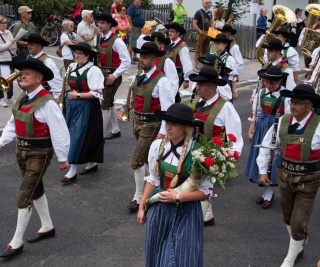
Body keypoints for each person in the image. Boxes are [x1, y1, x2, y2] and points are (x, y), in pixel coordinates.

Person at [0, 57, 70, 258]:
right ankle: (47, 226)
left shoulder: (47, 102)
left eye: (26, 73)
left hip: (40, 153)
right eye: (21, 73)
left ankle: (16, 242)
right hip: (21, 151)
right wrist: (2, 141)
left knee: (25, 194)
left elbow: (59, 131)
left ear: (39, 78)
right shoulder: (23, 97)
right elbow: (14, 123)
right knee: (35, 188)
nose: (22, 76)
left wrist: (63, 157)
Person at [137, 103, 211, 266]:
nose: (168, 127)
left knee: (183, 258)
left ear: (185, 127)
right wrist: (142, 206)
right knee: (157, 253)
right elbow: (153, 179)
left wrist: (178, 196)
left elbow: (206, 192)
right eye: (167, 123)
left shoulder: (198, 152)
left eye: (174, 124)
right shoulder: (158, 146)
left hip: (187, 212)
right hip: (160, 208)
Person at [257, 84, 320, 267]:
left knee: (299, 221)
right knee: (287, 217)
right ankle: (298, 246)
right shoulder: (282, 122)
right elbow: (269, 146)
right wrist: (262, 171)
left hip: (309, 180)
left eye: (298, 103)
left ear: (310, 106)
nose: (293, 106)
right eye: (292, 102)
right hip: (284, 177)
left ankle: (290, 258)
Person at [124, 42, 175, 212]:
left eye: (145, 57)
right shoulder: (139, 75)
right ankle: (153, 188)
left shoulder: (162, 81)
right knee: (147, 159)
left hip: (152, 125)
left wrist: (162, 132)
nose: (141, 59)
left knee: (136, 160)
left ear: (154, 59)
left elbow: (168, 109)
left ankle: (139, 197)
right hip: (137, 122)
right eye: (141, 56)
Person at [189, 67, 243, 226]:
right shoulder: (197, 103)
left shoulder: (226, 108)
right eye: (197, 84)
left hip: (213, 156)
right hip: (194, 151)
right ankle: (208, 216)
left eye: (202, 84)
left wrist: (228, 158)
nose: (198, 87)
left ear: (212, 86)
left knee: (201, 187)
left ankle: (196, 222)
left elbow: (235, 136)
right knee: (196, 185)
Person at [245, 66, 291, 209]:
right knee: (262, 157)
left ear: (279, 81)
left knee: (272, 159)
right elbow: (257, 112)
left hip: (276, 129)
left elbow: (288, 118)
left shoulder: (285, 97)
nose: (269, 86)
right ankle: (265, 190)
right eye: (267, 82)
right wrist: (251, 128)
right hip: (261, 128)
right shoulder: (261, 92)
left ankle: (269, 192)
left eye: (272, 83)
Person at [60, 42, 104, 184]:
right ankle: (92, 163)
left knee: (77, 136)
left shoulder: (94, 70)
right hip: (72, 105)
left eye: (80, 53)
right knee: (74, 134)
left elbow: (97, 93)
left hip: (87, 106)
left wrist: (77, 95)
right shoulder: (72, 66)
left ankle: (72, 170)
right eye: (76, 53)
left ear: (87, 56)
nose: (76, 55)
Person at [96, 13, 130, 140]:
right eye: (99, 22)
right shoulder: (101, 38)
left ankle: (99, 136)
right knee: (108, 102)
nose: (100, 25)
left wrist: (115, 75)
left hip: (112, 76)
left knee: (104, 104)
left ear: (110, 24)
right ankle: (116, 129)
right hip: (102, 75)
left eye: (103, 23)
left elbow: (126, 61)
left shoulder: (117, 41)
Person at [250, 38, 296, 105]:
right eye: (267, 50)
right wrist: (254, 96)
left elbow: (290, 88)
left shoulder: (286, 68)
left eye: (271, 51)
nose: (268, 53)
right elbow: (259, 83)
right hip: (263, 98)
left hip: (277, 101)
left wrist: (286, 104)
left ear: (278, 51)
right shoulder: (265, 66)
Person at [23, 34, 63, 100]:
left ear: (39, 45)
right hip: (32, 96)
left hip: (44, 98)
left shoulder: (47, 61)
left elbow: (57, 83)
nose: (29, 47)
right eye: (28, 44)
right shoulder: (30, 58)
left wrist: (56, 100)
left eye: (32, 44)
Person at [144, 32, 179, 102]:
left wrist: (168, 101)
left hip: (161, 98)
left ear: (161, 45)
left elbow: (173, 83)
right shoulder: (145, 59)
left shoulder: (167, 61)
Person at [165, 22, 192, 102]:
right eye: (169, 31)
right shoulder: (170, 44)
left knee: (172, 92)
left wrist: (186, 80)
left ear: (178, 33)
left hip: (178, 74)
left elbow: (187, 64)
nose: (170, 33)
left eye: (172, 31)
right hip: (168, 72)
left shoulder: (182, 47)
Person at [210, 33, 238, 102]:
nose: (216, 45)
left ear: (225, 44)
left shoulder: (229, 59)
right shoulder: (213, 56)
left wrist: (234, 91)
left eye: (219, 43)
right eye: (215, 43)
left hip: (225, 84)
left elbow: (233, 77)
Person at [0, 15, 17, 107]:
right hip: (1, 60)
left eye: (5, 23)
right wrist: (9, 43)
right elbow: (0, 48)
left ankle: (10, 97)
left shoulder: (8, 32)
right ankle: (1, 98)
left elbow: (14, 46)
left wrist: (7, 46)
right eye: (2, 24)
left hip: (10, 58)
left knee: (10, 79)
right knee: (2, 80)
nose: (4, 25)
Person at [192, 0, 212, 70]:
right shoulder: (198, 12)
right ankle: (195, 65)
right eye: (206, 3)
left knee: (205, 50)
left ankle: (202, 64)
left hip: (208, 33)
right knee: (198, 49)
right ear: (202, 3)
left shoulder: (209, 12)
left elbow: (211, 22)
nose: (208, 4)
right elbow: (194, 23)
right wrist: (200, 31)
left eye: (209, 3)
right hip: (201, 33)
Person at [127, 0, 145, 64]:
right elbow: (128, 17)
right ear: (135, 1)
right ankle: (129, 58)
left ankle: (134, 56)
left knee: (136, 43)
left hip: (139, 28)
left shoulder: (139, 8)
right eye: (139, 0)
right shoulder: (132, 8)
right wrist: (132, 26)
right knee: (132, 43)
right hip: (135, 27)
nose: (140, 1)